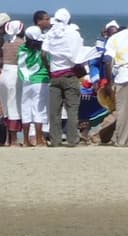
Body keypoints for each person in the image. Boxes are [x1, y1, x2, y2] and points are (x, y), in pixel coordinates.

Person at [43, 8, 84, 146]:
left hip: (54, 76)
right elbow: (78, 56)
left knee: (54, 111)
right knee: (72, 109)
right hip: (69, 75)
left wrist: (49, 69)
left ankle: (55, 140)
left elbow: (43, 54)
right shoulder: (72, 33)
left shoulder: (50, 33)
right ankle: (72, 140)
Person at [18, 25, 49, 146]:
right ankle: (39, 139)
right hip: (41, 80)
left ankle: (26, 140)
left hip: (26, 81)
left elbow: (21, 64)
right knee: (39, 110)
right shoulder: (43, 48)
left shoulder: (23, 48)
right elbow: (48, 61)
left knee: (25, 109)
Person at [0, 20, 25, 146]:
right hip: (14, 73)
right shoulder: (21, 44)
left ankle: (8, 139)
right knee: (14, 105)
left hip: (4, 73)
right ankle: (14, 140)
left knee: (6, 107)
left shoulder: (6, 44)